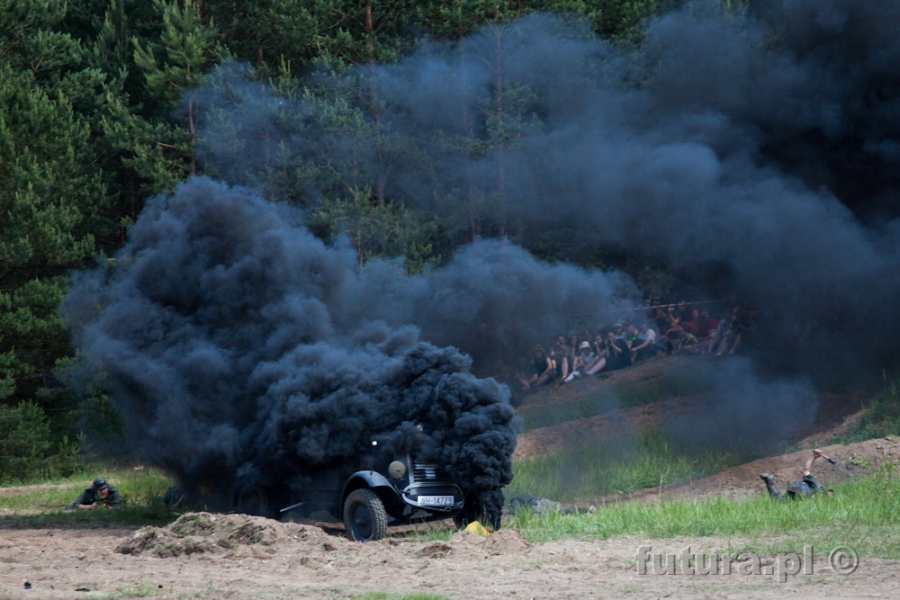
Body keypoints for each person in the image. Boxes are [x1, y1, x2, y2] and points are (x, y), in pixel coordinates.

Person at [759, 449, 826, 500]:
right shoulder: (818, 488)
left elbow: (806, 470)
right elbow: (806, 471)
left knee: (780, 500)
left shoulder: (817, 486)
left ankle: (769, 480)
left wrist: (814, 456)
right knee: (779, 500)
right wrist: (814, 456)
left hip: (795, 488)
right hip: (800, 491)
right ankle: (769, 481)